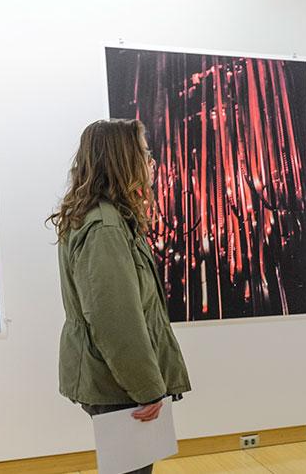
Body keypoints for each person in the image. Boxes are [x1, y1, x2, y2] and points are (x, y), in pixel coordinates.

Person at [48, 119, 191, 474]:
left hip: (116, 380)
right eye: (144, 154)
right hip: (120, 385)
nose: (151, 162)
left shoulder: (107, 219)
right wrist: (147, 388)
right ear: (122, 161)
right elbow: (116, 321)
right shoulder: (105, 228)